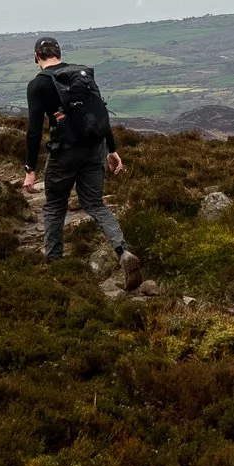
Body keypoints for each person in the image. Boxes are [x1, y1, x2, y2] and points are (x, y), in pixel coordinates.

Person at [22, 37, 140, 283]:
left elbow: (34, 131)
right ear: (59, 53)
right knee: (95, 203)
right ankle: (123, 252)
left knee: (55, 206)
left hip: (64, 152)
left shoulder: (38, 84)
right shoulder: (81, 74)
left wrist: (29, 169)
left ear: (37, 57)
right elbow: (100, 112)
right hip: (94, 148)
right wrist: (112, 149)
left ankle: (55, 268)